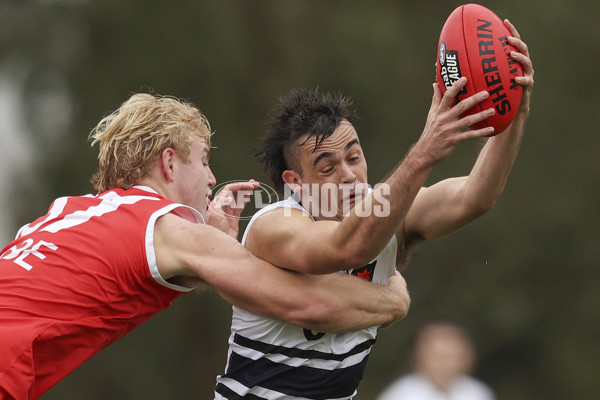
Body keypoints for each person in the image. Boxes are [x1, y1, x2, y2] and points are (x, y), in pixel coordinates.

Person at [0, 93, 411, 399]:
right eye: (202, 160)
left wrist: (213, 246)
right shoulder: (169, 230)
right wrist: (393, 300)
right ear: (169, 162)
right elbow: (308, 305)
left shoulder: (63, 213)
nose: (213, 178)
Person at [214, 20, 533, 400]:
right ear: (295, 182)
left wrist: (514, 114)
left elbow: (475, 197)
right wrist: (424, 152)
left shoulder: (385, 210)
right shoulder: (273, 225)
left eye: (354, 156)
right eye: (328, 167)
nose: (350, 175)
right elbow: (347, 248)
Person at [376, 321, 495, 400]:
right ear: (420, 357)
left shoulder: (477, 393)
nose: (450, 365)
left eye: (456, 356)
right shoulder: (401, 395)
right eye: (442, 357)